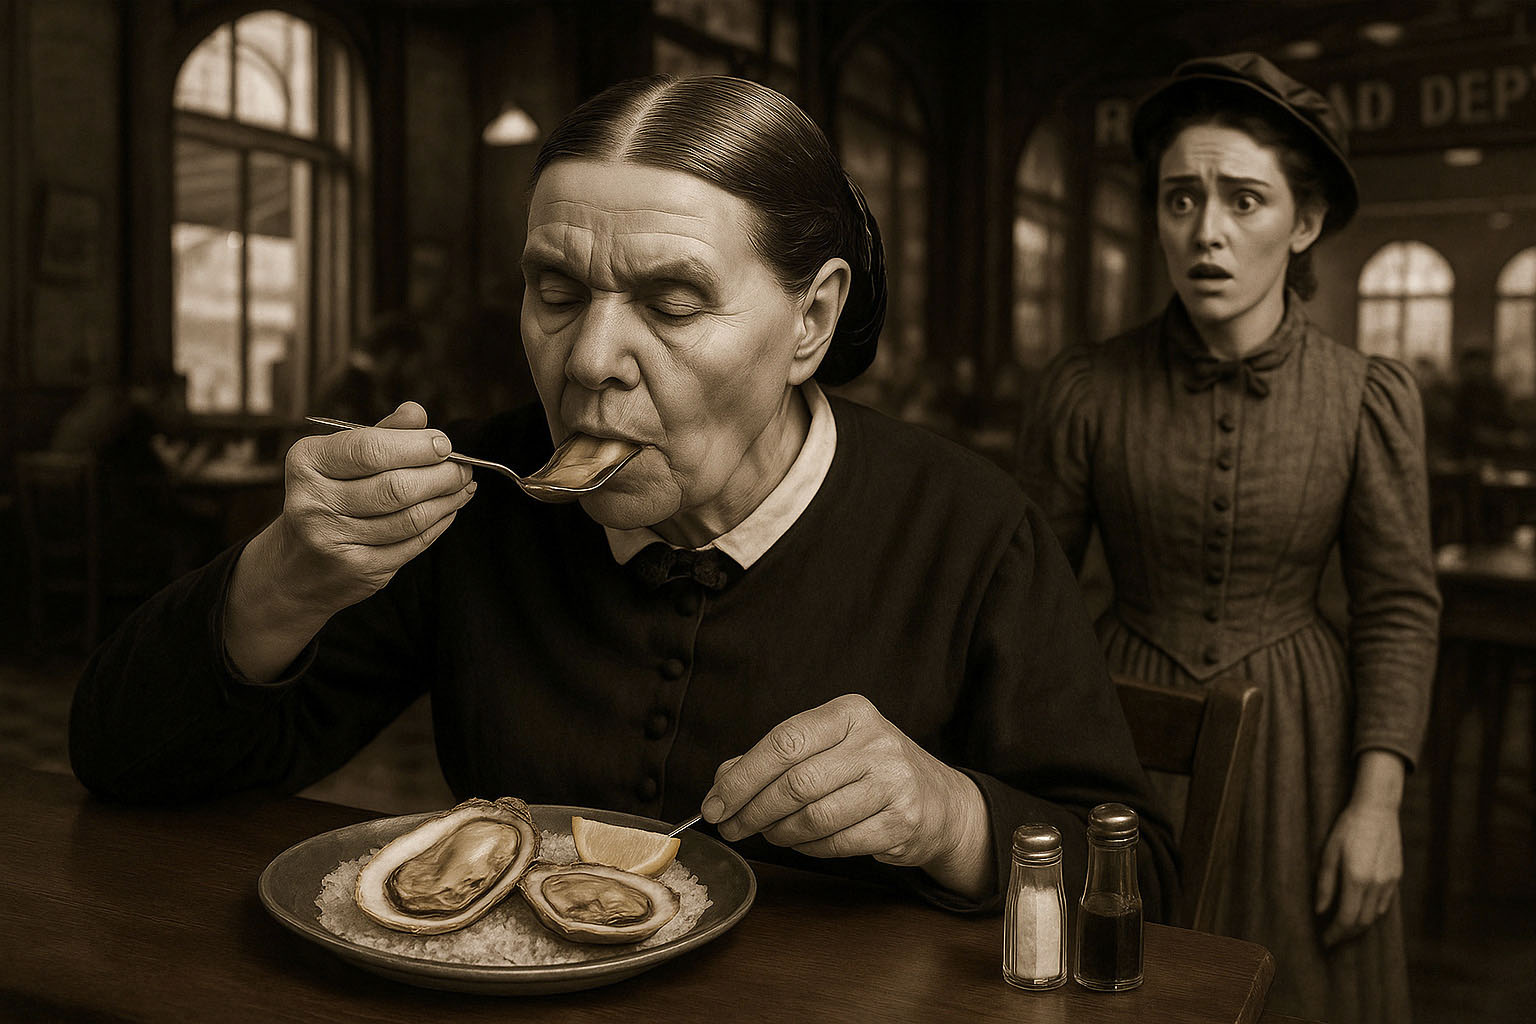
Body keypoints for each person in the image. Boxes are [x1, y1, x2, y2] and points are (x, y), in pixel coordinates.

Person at [71, 75, 1175, 915]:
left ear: (812, 320)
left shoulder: (970, 529)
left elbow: (1143, 875)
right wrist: (282, 581)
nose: (590, 356)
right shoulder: (476, 501)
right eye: (557, 289)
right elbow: (128, 767)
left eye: (673, 299)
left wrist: (950, 815)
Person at [1018, 54, 1439, 1022]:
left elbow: (1399, 608)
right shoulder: (1085, 388)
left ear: (1304, 223)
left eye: (1244, 200)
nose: (1206, 231)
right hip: (1120, 739)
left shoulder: (1365, 397)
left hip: (1303, 748)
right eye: (1180, 199)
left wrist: (1376, 807)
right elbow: (1029, 598)